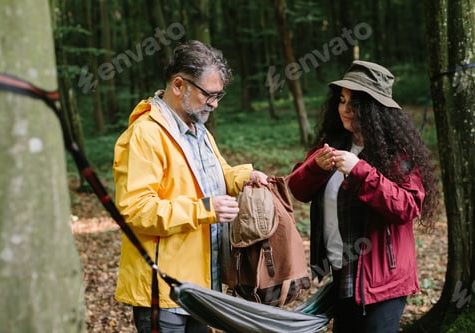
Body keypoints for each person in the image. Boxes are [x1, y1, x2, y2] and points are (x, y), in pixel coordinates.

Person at [112, 40, 268, 333]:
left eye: (219, 94)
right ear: (179, 85)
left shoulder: (198, 130)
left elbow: (218, 174)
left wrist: (244, 177)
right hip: (164, 290)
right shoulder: (145, 135)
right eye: (208, 94)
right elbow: (136, 210)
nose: (215, 103)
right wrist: (205, 209)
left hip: (202, 287)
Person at [288, 60, 439, 333]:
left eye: (355, 103)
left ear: (373, 109)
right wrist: (315, 168)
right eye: (342, 100)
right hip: (342, 274)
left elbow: (407, 206)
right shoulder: (336, 144)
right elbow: (297, 189)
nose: (345, 109)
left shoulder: (397, 154)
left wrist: (360, 171)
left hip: (383, 283)